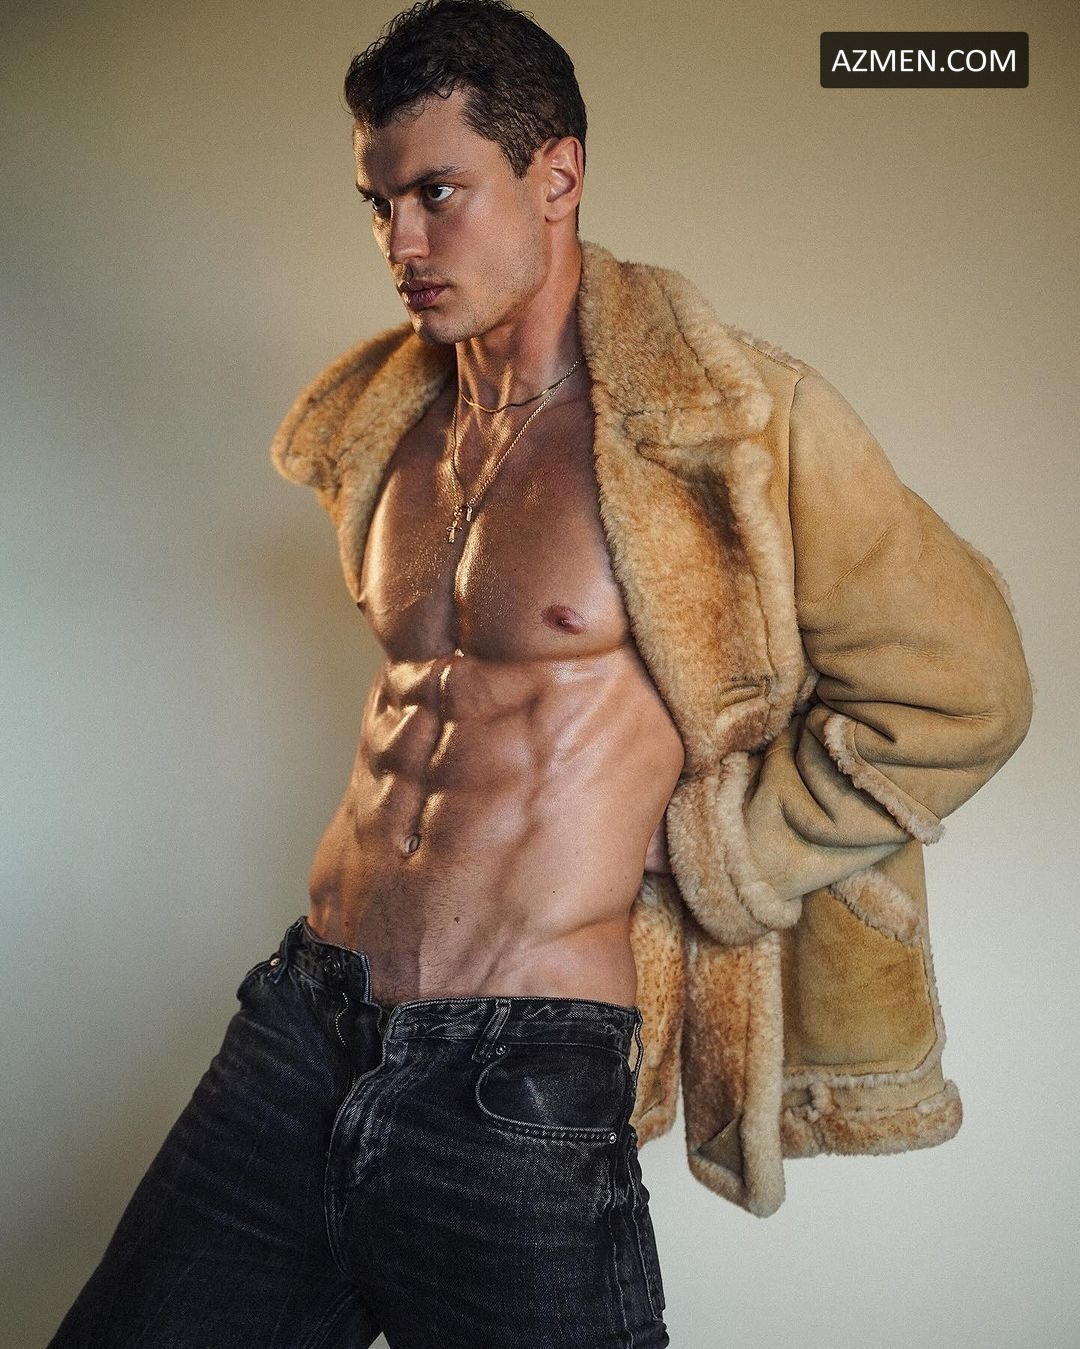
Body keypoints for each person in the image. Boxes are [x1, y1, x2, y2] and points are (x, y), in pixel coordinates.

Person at [50, 1, 1033, 1345]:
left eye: (437, 193)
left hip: (514, 1069)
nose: (400, 244)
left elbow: (967, 685)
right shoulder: (392, 424)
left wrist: (729, 850)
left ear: (555, 175)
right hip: (306, 1020)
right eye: (379, 202)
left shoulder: (730, 427)